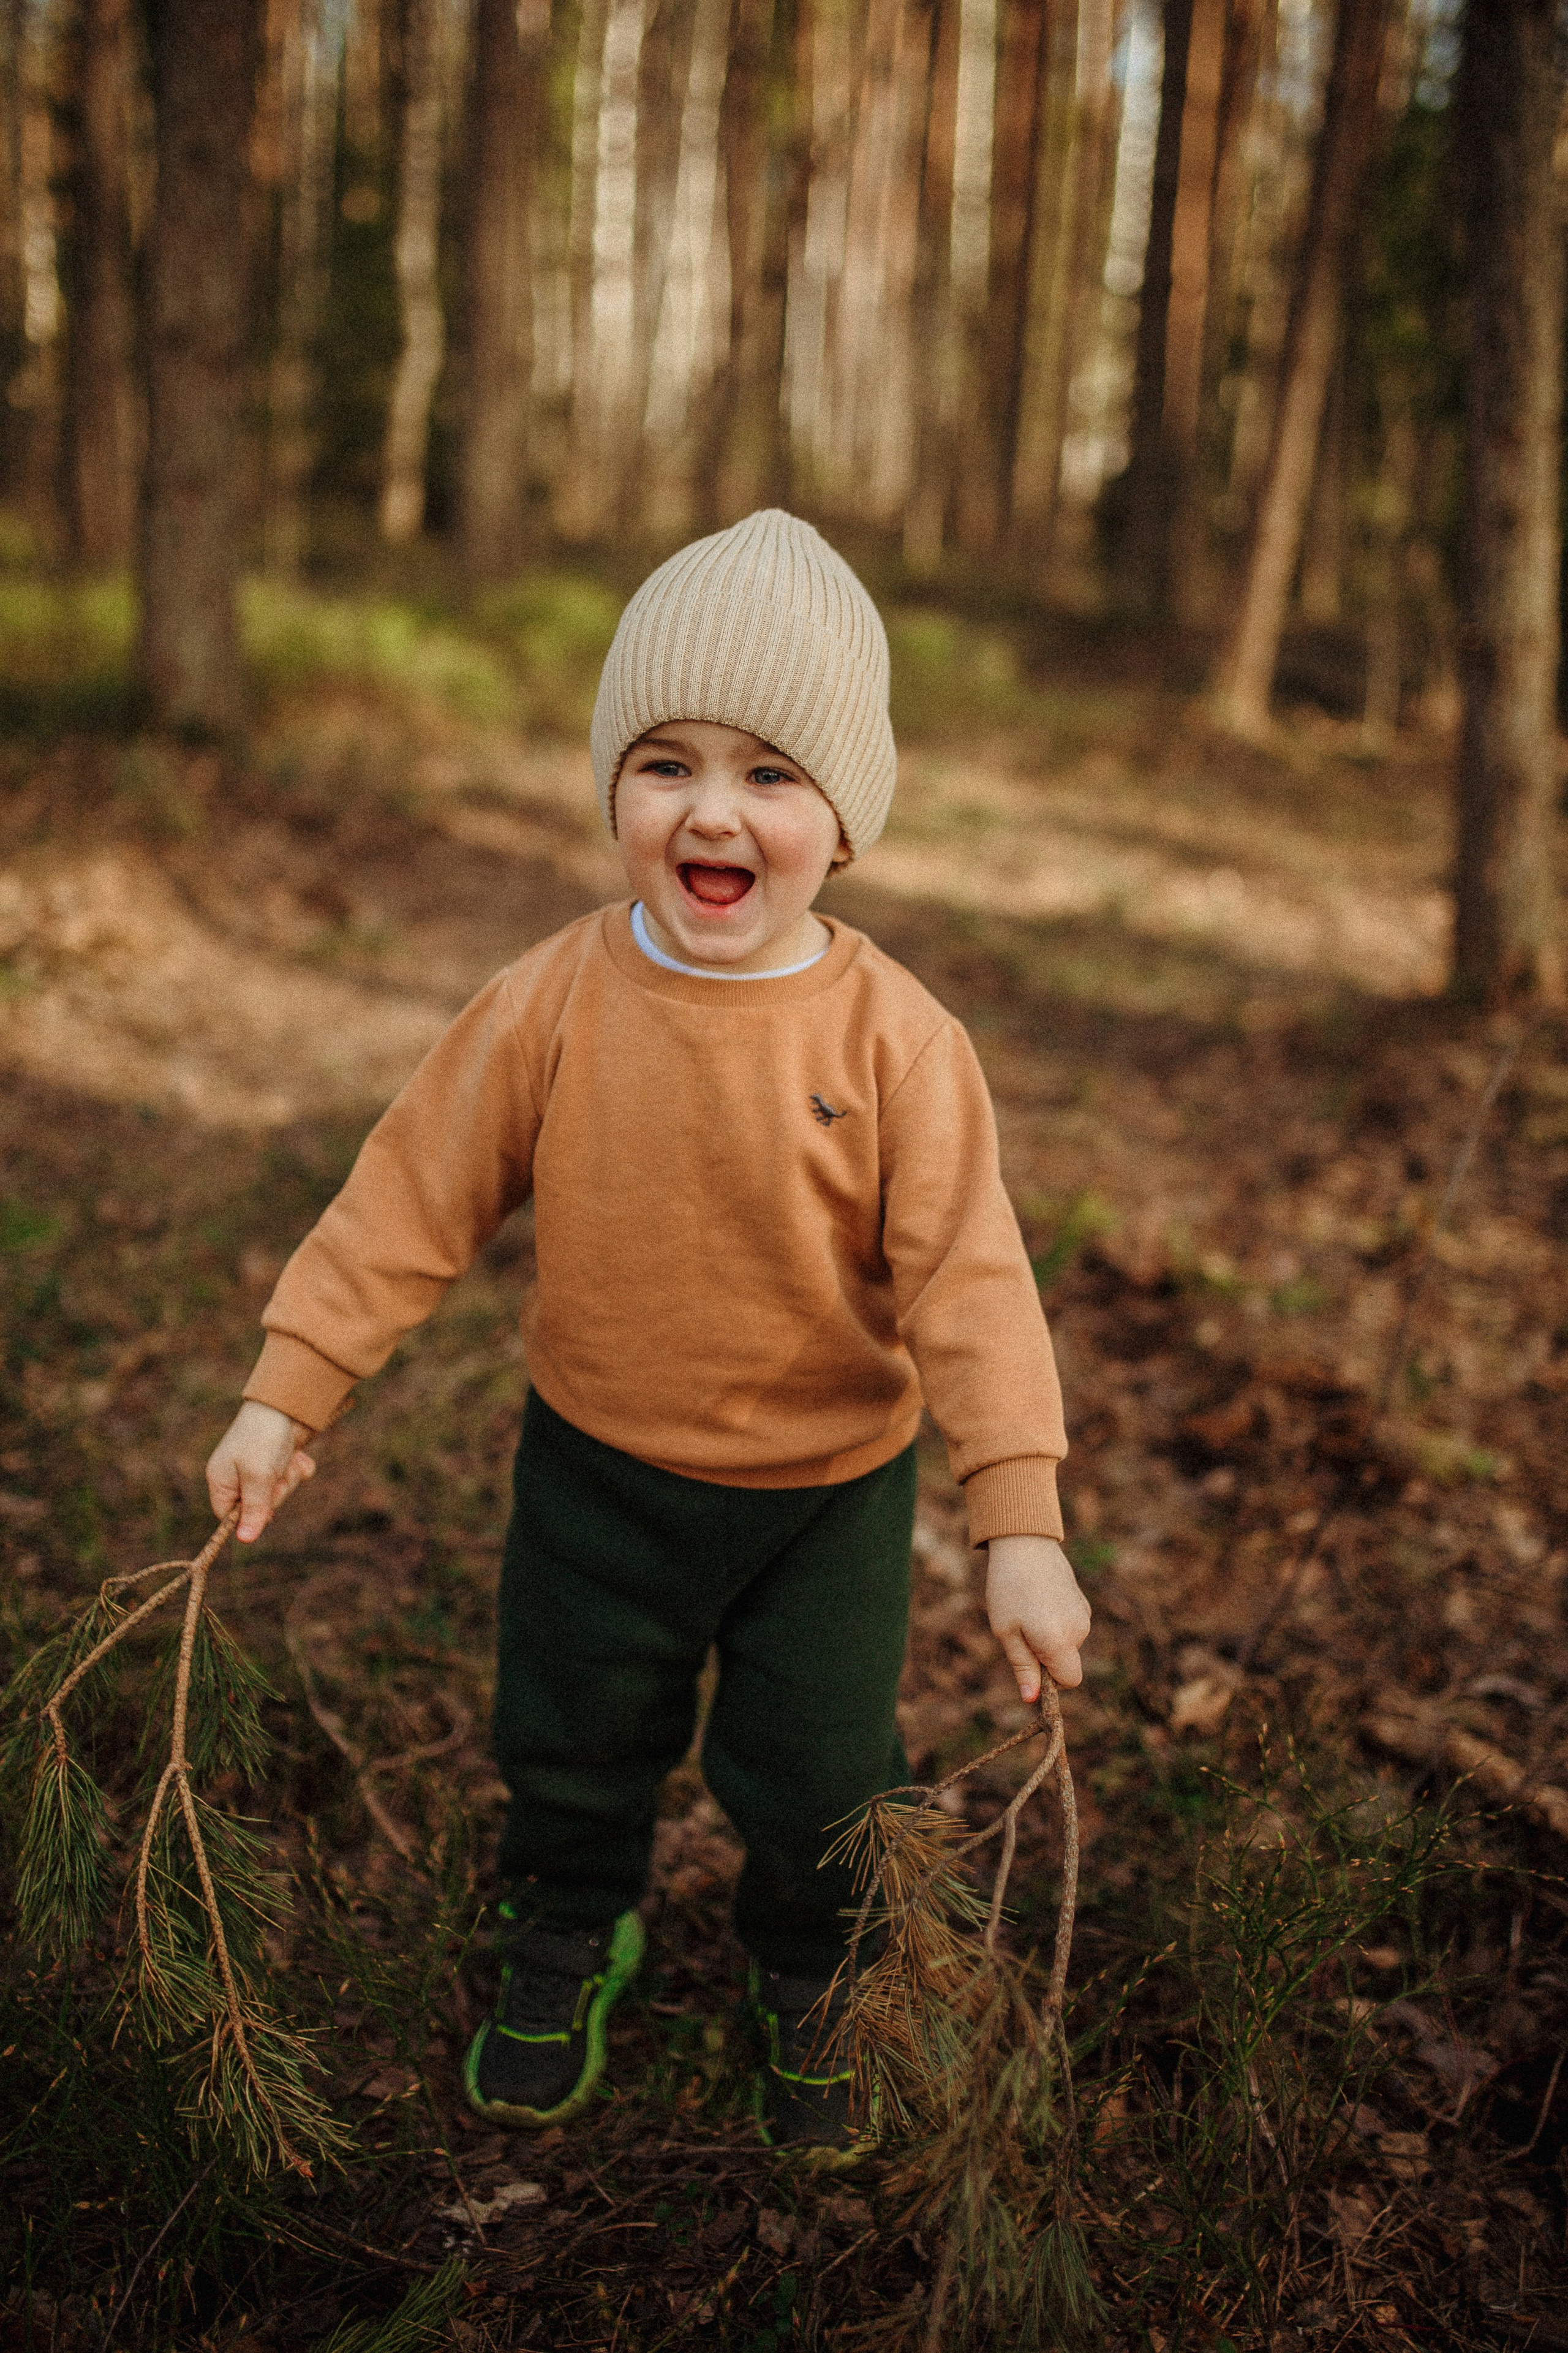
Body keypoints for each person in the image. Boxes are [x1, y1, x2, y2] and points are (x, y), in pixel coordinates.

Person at [205, 510, 1090, 2160]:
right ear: (614, 787)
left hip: (825, 1496)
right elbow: (408, 1194)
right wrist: (290, 1386)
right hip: (598, 1471)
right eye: (665, 762)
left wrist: (1019, 1519)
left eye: (769, 774)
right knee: (568, 1730)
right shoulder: (552, 999)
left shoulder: (899, 1038)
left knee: (826, 1768)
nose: (711, 809)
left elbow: (974, 1282)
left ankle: (811, 1971)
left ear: (847, 814)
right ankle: (567, 1926)